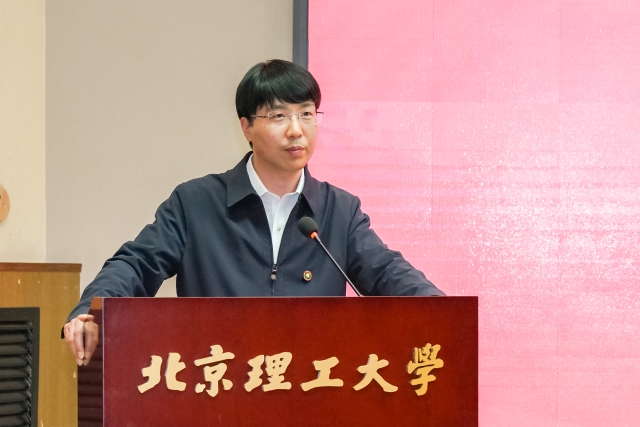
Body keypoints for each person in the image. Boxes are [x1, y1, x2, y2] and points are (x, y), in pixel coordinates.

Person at [63, 59, 445, 366]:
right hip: (216, 390)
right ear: (246, 127)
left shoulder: (338, 210)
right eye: (279, 116)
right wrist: (89, 312)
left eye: (306, 114)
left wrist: (442, 311)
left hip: (311, 393)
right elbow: (135, 264)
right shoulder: (196, 203)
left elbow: (386, 270)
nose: (296, 130)